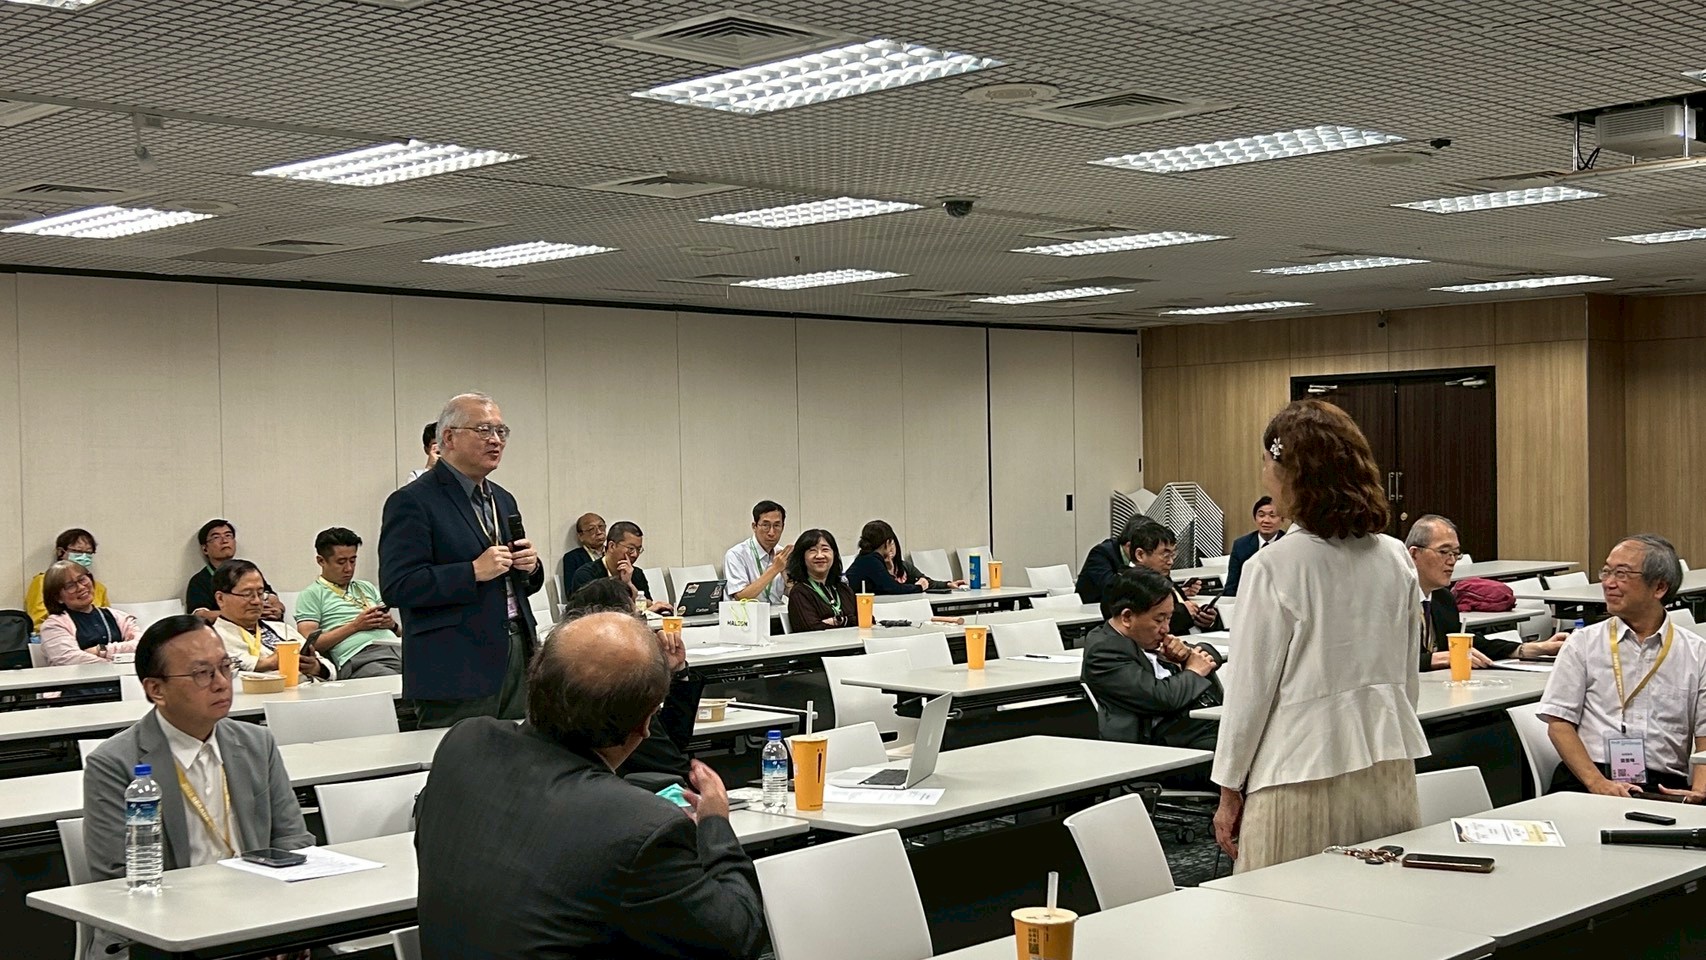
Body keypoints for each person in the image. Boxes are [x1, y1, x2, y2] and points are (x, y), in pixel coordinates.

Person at [415, 611, 765, 959]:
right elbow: (738, 939)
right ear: (644, 725)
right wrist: (715, 824)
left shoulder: (464, 743)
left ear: (534, 680)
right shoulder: (640, 829)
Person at [1212, 399, 1430, 873]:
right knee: (1380, 906)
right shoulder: (1395, 556)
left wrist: (1230, 788)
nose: (1263, 473)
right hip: (1386, 758)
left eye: (1266, 461)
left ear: (1290, 472)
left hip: (1298, 769)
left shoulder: (1273, 565)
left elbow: (1249, 692)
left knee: (1283, 906)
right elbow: (1407, 676)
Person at [82, 615, 313, 958]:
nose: (221, 683)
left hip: (258, 917)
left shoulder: (256, 743)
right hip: (165, 934)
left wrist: (286, 924)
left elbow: (293, 839)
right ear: (156, 690)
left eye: (225, 667)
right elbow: (117, 878)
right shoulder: (114, 764)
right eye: (202, 673)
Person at [380, 392, 543, 728]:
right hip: (455, 664)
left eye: (501, 431)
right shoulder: (413, 501)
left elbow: (515, 581)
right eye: (483, 430)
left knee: (518, 753)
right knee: (463, 758)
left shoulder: (502, 499)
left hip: (517, 650)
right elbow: (398, 586)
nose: (496, 440)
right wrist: (471, 572)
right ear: (449, 437)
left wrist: (531, 566)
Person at [1539, 534, 1706, 799]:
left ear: (1659, 588)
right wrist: (1597, 783)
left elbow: (1704, 733)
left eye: (1622, 574)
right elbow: (1558, 723)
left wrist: (1700, 790)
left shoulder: (1697, 652)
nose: (1608, 583)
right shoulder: (1583, 643)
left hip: (1661, 784)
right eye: (1606, 572)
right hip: (1589, 778)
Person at [562, 578, 703, 781]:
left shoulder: (587, 674)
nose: (643, 626)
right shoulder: (612, 687)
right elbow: (669, 764)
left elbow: (672, 739)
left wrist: (676, 672)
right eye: (637, 616)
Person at [1081, 568, 1224, 751]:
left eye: (1169, 618)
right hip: (1159, 742)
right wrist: (1193, 671)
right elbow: (1162, 698)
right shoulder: (1104, 652)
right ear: (1127, 617)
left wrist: (1186, 655)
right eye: (1159, 620)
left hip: (1190, 726)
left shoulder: (1145, 638)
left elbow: (1211, 655)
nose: (1166, 628)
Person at [1406, 515, 1563, 671]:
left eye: (1455, 553)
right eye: (1444, 551)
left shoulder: (1442, 598)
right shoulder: (1395, 600)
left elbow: (1471, 643)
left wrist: (1531, 649)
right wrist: (1434, 659)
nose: (1452, 561)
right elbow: (1391, 660)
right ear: (1414, 554)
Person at [292, 527, 403, 679]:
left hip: (397, 649)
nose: (349, 568)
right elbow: (309, 644)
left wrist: (392, 625)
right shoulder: (311, 594)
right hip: (360, 658)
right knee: (394, 682)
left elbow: (399, 631)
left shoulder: (366, 587)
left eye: (353, 560)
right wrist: (355, 626)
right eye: (341, 562)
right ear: (321, 561)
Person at [209, 560, 334, 679]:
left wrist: (316, 668)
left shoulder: (281, 628)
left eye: (260, 593)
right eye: (247, 594)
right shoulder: (212, 638)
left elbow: (331, 670)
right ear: (220, 598)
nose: (257, 601)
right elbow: (229, 676)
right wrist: (268, 664)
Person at [1126, 518, 1222, 637]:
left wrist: (1205, 620)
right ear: (1140, 555)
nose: (1171, 561)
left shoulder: (1162, 576)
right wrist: (1185, 613)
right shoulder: (1129, 584)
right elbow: (1145, 627)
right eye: (1165, 555)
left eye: (1173, 555)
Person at [38, 559, 140, 665]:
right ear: (58, 597)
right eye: (70, 586)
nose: (81, 587)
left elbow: (141, 645)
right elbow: (71, 660)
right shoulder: (53, 625)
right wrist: (116, 663)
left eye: (82, 579)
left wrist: (101, 650)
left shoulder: (119, 617)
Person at [185, 519, 280, 623]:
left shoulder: (249, 572)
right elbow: (200, 615)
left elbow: (275, 601)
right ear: (205, 549)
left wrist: (277, 611)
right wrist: (241, 614)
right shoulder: (199, 581)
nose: (224, 540)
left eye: (228, 535)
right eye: (216, 537)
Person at [568, 520, 671, 612]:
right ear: (612, 546)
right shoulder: (586, 574)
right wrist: (640, 612)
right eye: (631, 549)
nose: (635, 554)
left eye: (638, 549)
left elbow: (646, 603)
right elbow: (593, 613)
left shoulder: (636, 573)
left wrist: (629, 583)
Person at [844, 519, 963, 594]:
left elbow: (924, 580)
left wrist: (946, 584)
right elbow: (893, 588)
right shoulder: (871, 561)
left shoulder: (866, 559)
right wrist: (918, 588)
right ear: (888, 542)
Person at [25, 527, 110, 628]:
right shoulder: (43, 581)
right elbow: (38, 621)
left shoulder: (98, 587)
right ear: (60, 552)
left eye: (88, 552)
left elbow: (107, 619)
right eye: (78, 551)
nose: (83, 556)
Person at [785, 529, 857, 632]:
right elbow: (811, 628)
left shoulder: (844, 589)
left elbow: (867, 619)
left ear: (834, 554)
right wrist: (849, 621)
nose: (820, 555)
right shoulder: (800, 592)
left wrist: (839, 620)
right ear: (802, 557)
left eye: (825, 549)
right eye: (812, 550)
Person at [723, 500, 790, 603]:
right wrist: (775, 568)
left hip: (777, 612)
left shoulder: (782, 554)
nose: (771, 532)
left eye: (776, 526)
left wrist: (787, 578)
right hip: (747, 613)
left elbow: (792, 594)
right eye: (766, 525)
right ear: (754, 526)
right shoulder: (736, 555)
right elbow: (741, 597)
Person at [1223, 496, 1284, 597]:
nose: (1266, 520)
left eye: (1272, 516)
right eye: (1261, 515)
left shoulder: (1288, 545)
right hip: (1247, 600)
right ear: (1255, 518)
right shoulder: (1241, 545)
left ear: (1282, 520)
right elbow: (1231, 587)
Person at [561, 512, 606, 588]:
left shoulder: (613, 552)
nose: (599, 532)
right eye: (591, 529)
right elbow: (571, 591)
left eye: (601, 526)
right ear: (580, 536)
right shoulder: (572, 558)